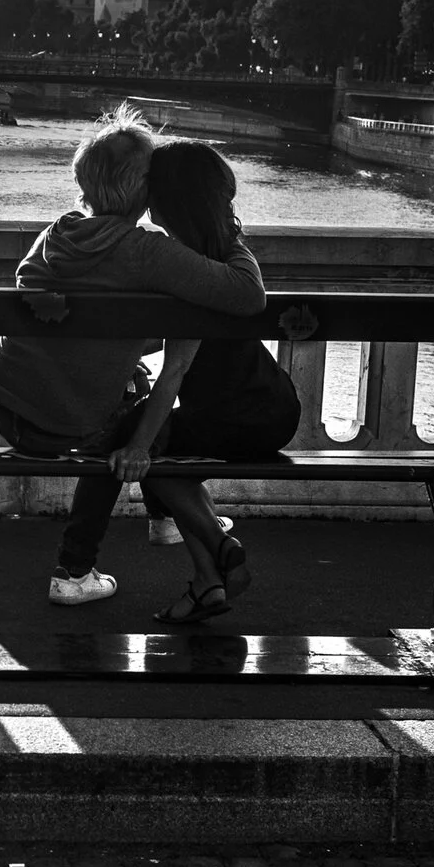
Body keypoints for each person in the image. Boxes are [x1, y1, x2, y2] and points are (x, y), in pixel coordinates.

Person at [0, 106, 264, 615]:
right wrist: (228, 228)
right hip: (68, 427)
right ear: (142, 190)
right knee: (128, 432)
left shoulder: (56, 233)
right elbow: (246, 295)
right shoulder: (146, 252)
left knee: (125, 404)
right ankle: (83, 565)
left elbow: (43, 302)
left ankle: (159, 521)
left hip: (8, 411)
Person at [134, 139, 303, 620]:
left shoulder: (180, 267)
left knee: (150, 450)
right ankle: (207, 585)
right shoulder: (230, 255)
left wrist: (137, 447)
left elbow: (173, 367)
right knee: (170, 458)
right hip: (274, 406)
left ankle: (219, 546)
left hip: (230, 416)